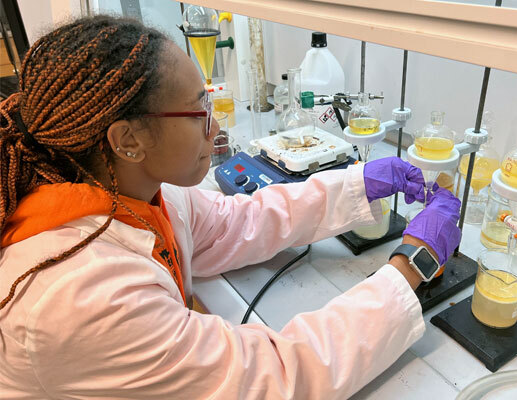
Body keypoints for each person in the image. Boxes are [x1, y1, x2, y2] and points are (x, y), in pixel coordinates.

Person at [0, 16, 461, 399]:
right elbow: (274, 379)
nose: (215, 122)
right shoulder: (78, 293)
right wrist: (413, 264)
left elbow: (234, 223)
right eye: (200, 107)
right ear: (128, 140)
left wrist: (361, 183)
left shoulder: (124, 190)